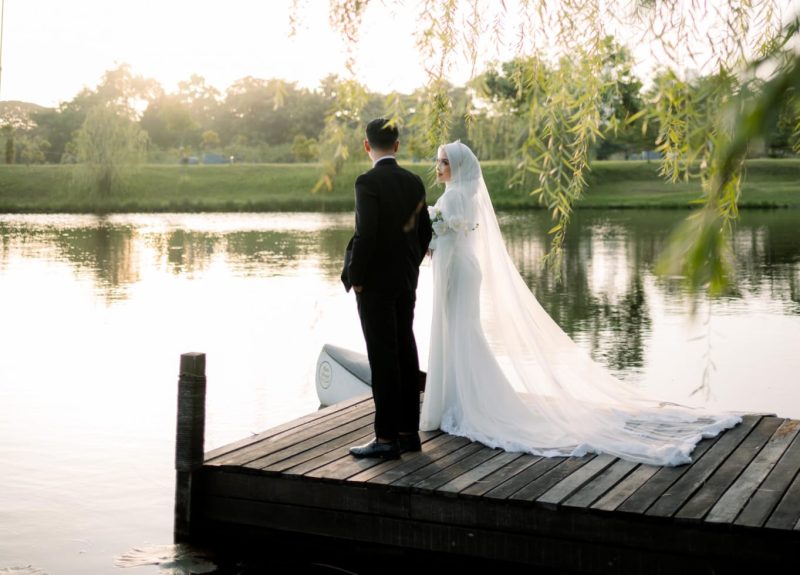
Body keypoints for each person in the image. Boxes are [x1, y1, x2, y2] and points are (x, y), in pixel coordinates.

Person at [419, 141, 741, 466]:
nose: (438, 167)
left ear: (458, 166)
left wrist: (430, 236)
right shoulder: (465, 195)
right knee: (464, 331)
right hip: (465, 268)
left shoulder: (454, 197)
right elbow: (455, 233)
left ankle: (461, 402)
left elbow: (448, 235)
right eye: (438, 161)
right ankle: (465, 398)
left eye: (444, 162)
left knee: (459, 331)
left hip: (457, 270)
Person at [342, 118, 433, 459]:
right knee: (406, 351)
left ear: (367, 145)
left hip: (375, 284)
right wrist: (411, 266)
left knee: (382, 358)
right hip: (406, 280)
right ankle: (409, 433)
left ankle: (385, 438)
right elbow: (424, 231)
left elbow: (366, 234)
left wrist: (357, 277)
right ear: (397, 145)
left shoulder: (367, 182)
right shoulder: (413, 181)